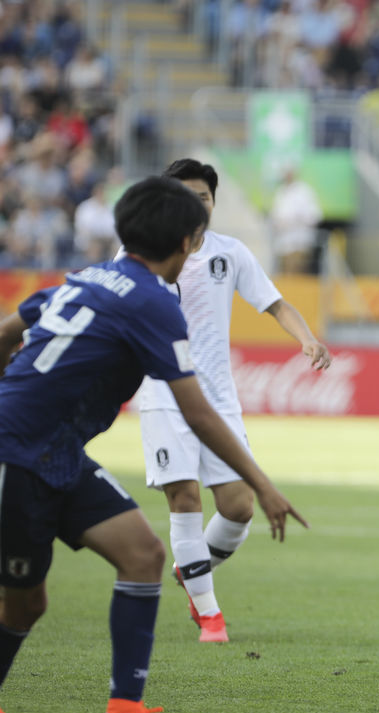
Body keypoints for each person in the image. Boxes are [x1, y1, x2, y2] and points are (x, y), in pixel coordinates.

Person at [0, 176, 306, 713]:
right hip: (7, 462)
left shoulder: (88, 277)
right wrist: (262, 486)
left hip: (53, 456)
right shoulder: (154, 302)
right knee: (22, 605)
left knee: (143, 553)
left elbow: (0, 336)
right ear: (190, 241)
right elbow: (198, 411)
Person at [135, 158, 330, 643]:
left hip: (217, 398)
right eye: (184, 196)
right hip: (162, 391)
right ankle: (211, 616)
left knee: (240, 507)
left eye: (203, 197)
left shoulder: (231, 253)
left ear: (213, 203)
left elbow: (275, 302)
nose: (194, 205)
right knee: (184, 497)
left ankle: (190, 569)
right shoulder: (141, 251)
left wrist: (307, 339)